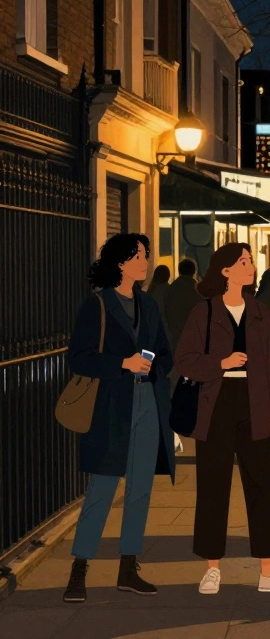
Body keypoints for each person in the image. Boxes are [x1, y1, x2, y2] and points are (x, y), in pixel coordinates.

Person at [175, 243, 270, 595]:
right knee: (213, 486)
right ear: (225, 270)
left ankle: (268, 570)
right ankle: (212, 568)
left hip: (256, 405)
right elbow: (185, 360)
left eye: (251, 262)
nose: (251, 267)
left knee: (264, 486)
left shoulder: (260, 311)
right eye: (243, 262)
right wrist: (221, 363)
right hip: (215, 404)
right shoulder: (204, 312)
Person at [63, 234, 175, 603]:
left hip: (147, 401)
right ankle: (79, 570)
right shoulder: (97, 305)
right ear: (121, 263)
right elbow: (79, 357)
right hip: (111, 404)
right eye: (139, 256)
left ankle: (128, 569)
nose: (145, 261)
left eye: (145, 255)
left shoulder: (148, 304)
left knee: (140, 490)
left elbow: (164, 351)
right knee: (102, 490)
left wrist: (153, 364)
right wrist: (122, 364)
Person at [165, 259, 202, 346]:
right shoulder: (197, 289)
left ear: (179, 270)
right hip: (194, 335)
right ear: (194, 271)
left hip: (175, 333)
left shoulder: (172, 288)